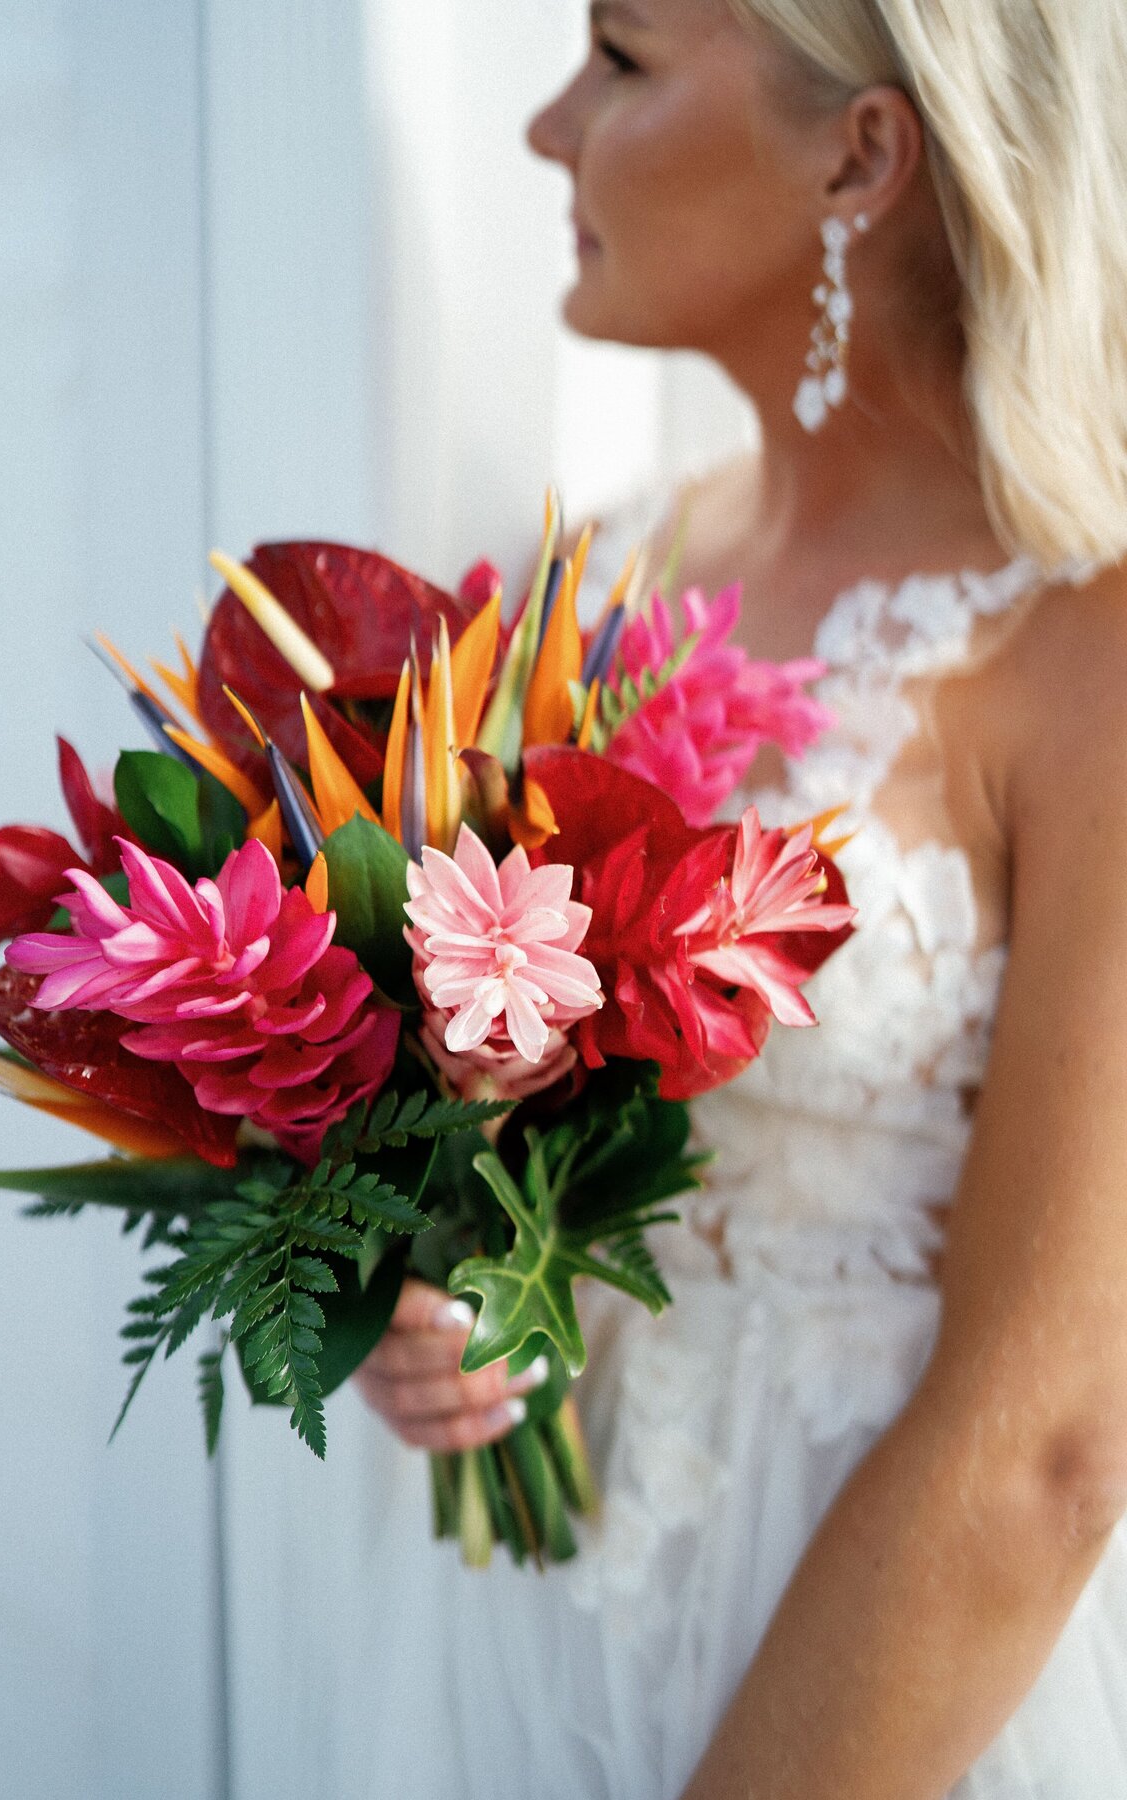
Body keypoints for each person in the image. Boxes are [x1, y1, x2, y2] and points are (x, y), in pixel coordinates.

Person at [349, 3, 1127, 1794]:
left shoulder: (1085, 642)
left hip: (887, 1681)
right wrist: (437, 1299)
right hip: (525, 1645)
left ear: (861, 153)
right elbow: (497, 1147)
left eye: (618, 60)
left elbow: (1056, 1442)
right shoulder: (586, 583)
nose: (549, 131)